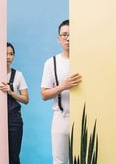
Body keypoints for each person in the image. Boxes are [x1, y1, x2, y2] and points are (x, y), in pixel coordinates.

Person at [41, 19, 82, 164]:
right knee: (59, 160)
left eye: (71, 34)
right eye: (64, 35)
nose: (68, 38)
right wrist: (63, 86)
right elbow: (44, 94)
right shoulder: (51, 63)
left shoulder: (86, 59)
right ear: (59, 38)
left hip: (84, 116)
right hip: (61, 117)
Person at [0, 42, 29, 164]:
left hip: (14, 121)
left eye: (11, 54)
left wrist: (11, 92)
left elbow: (26, 99)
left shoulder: (18, 75)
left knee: (13, 157)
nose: (8, 57)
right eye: (5, 54)